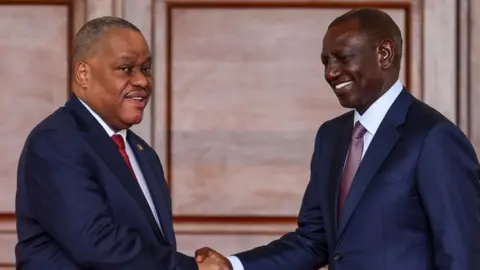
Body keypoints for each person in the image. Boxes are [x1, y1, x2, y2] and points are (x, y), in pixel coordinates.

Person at [195, 7, 480, 270]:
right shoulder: (331, 137)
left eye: (342, 58)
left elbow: (462, 255)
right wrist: (233, 266)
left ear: (384, 54)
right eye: (325, 62)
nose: (330, 73)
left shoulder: (434, 137)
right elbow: (313, 240)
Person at [15, 16, 219, 270]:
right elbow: (96, 243)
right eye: (126, 69)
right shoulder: (55, 142)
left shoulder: (144, 154)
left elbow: (155, 248)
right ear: (83, 74)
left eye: (145, 68)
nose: (142, 81)